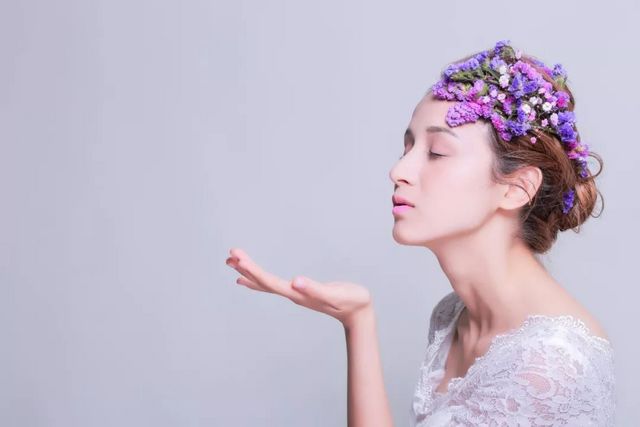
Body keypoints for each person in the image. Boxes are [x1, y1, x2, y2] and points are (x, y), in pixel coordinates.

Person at [225, 39, 615, 426]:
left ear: (516, 188)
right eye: (407, 148)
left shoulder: (549, 366)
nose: (398, 171)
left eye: (437, 153)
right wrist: (357, 321)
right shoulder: (454, 315)